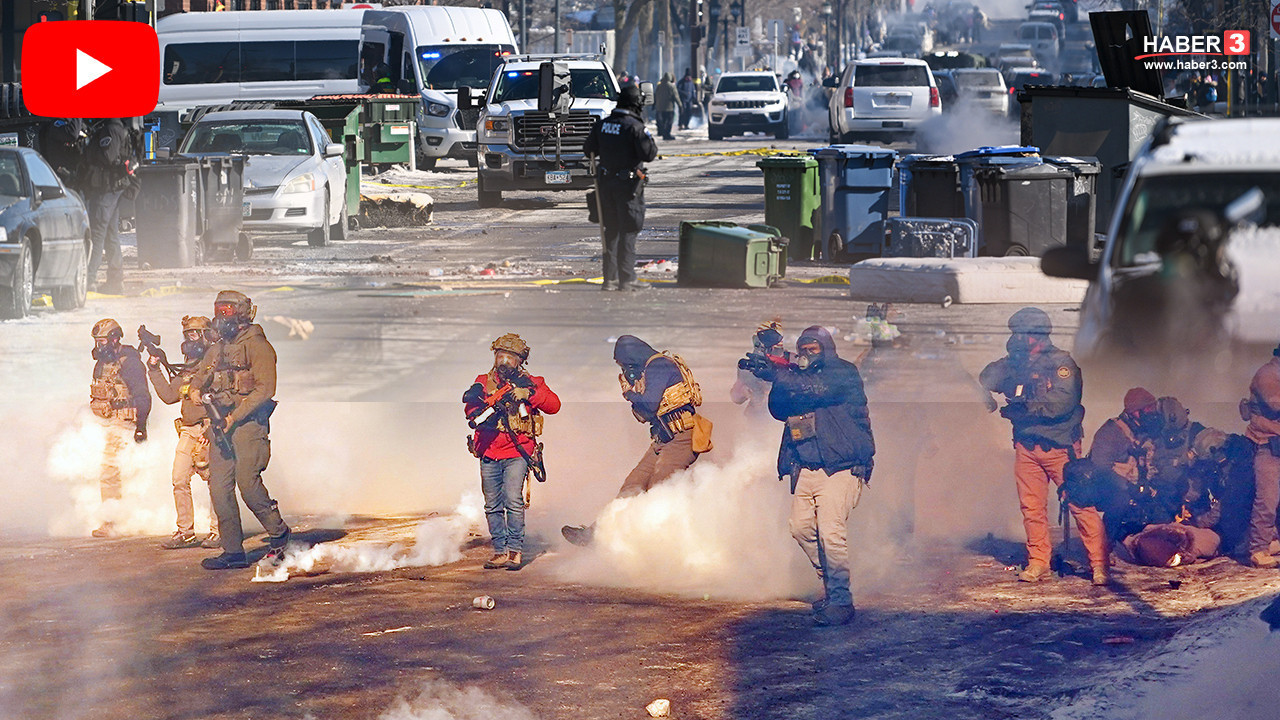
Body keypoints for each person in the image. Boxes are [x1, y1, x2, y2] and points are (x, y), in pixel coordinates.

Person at [980, 307, 1109, 585]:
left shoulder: (1062, 364)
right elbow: (986, 377)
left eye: (1020, 334)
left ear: (1036, 335)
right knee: (1032, 507)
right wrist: (998, 377)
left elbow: (1061, 404)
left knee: (1080, 504)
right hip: (1027, 447)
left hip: (1060, 446)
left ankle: (1099, 564)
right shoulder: (1017, 362)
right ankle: (1039, 561)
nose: (1015, 339)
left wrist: (1023, 409)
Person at [763, 326, 874, 627]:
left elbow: (818, 389)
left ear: (827, 350)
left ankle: (841, 600)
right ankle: (831, 583)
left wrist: (782, 374)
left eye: (814, 349)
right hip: (807, 466)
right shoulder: (797, 379)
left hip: (842, 466)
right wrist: (775, 373)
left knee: (829, 531)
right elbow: (777, 408)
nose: (807, 355)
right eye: (803, 350)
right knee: (799, 528)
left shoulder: (843, 372)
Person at [561, 335, 712, 545]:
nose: (625, 369)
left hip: (681, 438)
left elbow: (649, 405)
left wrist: (630, 394)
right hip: (663, 439)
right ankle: (597, 536)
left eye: (624, 364)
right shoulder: (651, 367)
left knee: (659, 491)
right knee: (633, 486)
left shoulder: (659, 366)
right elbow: (646, 415)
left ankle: (658, 547)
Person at [187, 291, 290, 570]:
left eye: (228, 312)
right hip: (222, 425)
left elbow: (265, 389)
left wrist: (235, 416)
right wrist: (196, 389)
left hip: (248, 426)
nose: (222, 318)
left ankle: (279, 534)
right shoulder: (218, 347)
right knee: (219, 489)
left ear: (243, 314)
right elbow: (202, 372)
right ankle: (232, 551)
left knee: (247, 483)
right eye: (219, 312)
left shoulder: (258, 346)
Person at [463, 334, 561, 571]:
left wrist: (529, 395)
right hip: (488, 452)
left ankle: (515, 552)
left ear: (520, 361)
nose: (504, 362)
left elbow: (554, 405)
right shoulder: (483, 382)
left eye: (510, 357)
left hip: (517, 452)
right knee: (492, 505)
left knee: (513, 501)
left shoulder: (532, 381)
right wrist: (484, 409)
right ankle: (499, 551)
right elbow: (470, 408)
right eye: (500, 356)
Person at [147, 315, 221, 550]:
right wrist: (154, 369)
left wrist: (212, 428)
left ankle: (218, 530)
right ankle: (185, 531)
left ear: (206, 335)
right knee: (179, 478)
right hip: (188, 430)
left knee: (214, 482)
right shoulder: (188, 368)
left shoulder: (214, 366)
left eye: (194, 334)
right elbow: (170, 395)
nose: (190, 340)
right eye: (187, 335)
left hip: (208, 428)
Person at [583, 85, 658, 292]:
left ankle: (610, 279)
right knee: (629, 229)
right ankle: (627, 278)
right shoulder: (634, 127)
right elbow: (649, 154)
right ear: (636, 104)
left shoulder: (603, 125)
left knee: (611, 230)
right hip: (628, 187)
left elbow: (588, 149)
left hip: (606, 185)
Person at [88, 318, 152, 538]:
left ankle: (111, 521)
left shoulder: (130, 363)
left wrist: (141, 427)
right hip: (104, 420)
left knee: (109, 468)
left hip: (123, 421)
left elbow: (143, 396)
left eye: (103, 341)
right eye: (97, 341)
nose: (99, 346)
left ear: (115, 339)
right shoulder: (101, 364)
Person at [84, 118, 136, 295]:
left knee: (97, 234)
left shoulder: (111, 129)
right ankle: (115, 281)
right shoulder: (114, 127)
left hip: (108, 188)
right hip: (111, 188)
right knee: (110, 234)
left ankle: (89, 280)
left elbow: (109, 156)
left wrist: (91, 153)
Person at [1241, 343, 1280, 569]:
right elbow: (1275, 404)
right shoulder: (1267, 374)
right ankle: (1258, 549)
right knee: (1267, 499)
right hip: (1266, 445)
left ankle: (1271, 541)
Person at [731, 321, 787, 417]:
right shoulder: (749, 365)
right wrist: (746, 391)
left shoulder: (789, 364)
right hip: (757, 417)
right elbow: (736, 396)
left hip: (777, 417)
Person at [654, 72, 678, 141]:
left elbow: (656, 95)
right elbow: (676, 97)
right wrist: (680, 106)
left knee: (663, 121)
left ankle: (664, 133)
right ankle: (667, 134)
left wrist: (654, 104)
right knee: (669, 122)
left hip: (660, 108)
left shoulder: (659, 85)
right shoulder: (671, 86)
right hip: (669, 108)